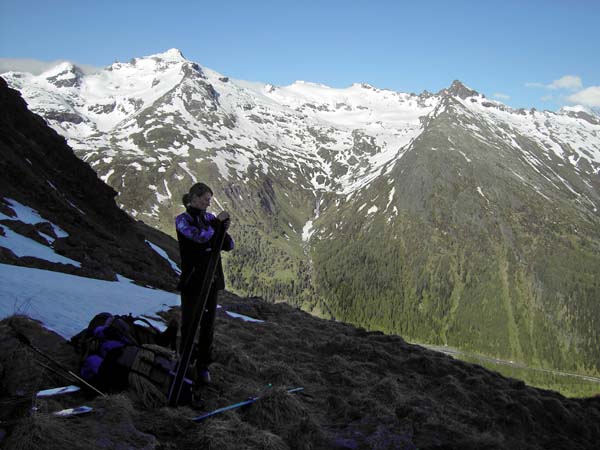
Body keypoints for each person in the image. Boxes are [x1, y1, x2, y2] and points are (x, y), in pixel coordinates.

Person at [175, 182, 234, 383]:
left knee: (208, 326)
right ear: (194, 197)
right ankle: (186, 362)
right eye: (205, 199)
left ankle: (203, 366)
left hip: (212, 279)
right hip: (193, 280)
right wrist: (216, 226)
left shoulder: (208, 218)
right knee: (190, 323)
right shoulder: (182, 220)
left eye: (209, 200)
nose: (208, 204)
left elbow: (229, 244)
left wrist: (223, 229)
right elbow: (200, 238)